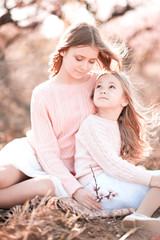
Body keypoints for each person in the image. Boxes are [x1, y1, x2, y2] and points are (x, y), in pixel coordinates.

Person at [0, 22, 120, 210]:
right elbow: (46, 152)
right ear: (63, 50)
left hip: (71, 170)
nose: (84, 67)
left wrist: (76, 186)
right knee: (2, 177)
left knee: (44, 186)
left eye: (91, 61)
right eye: (79, 58)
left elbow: (120, 114)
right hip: (36, 154)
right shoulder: (43, 93)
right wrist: (76, 190)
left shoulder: (99, 83)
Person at [74, 71, 160, 230]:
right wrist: (150, 179)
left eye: (111, 87)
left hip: (108, 179)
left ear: (125, 100)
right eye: (99, 87)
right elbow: (112, 165)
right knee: (156, 180)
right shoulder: (91, 124)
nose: (103, 90)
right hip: (96, 187)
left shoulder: (116, 125)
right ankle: (141, 216)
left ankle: (141, 216)